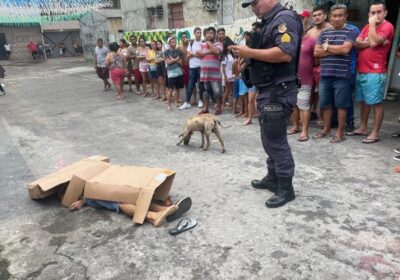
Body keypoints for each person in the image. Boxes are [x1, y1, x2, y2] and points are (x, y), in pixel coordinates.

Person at [232, 0, 302, 208]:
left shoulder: (284, 19)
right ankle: (273, 177)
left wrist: (248, 52)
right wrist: (247, 62)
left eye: (255, 3)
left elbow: (285, 53)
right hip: (269, 90)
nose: (253, 8)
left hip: (278, 92)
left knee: (276, 141)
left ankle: (286, 188)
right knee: (269, 137)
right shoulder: (269, 21)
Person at [348, 2, 394, 144]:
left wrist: (372, 31)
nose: (375, 15)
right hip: (362, 69)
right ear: (369, 14)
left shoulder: (387, 26)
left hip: (375, 71)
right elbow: (356, 44)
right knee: (363, 101)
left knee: (376, 102)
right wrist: (372, 40)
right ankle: (363, 128)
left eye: (379, 12)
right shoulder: (367, 27)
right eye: (372, 13)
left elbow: (373, 43)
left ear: (385, 13)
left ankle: (375, 132)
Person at [313, 4, 357, 143]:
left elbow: (345, 50)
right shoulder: (324, 33)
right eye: (334, 16)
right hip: (325, 75)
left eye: (340, 16)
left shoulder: (351, 31)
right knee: (325, 104)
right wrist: (333, 49)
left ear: (345, 17)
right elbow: (316, 52)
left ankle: (340, 132)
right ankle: (326, 129)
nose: (337, 18)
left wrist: (326, 47)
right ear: (330, 17)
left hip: (342, 76)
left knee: (341, 105)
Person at [288, 12, 317, 142]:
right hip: (291, 80)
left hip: (305, 80)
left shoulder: (311, 40)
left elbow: (317, 59)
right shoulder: (290, 41)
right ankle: (295, 126)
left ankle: (304, 130)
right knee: (293, 104)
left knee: (303, 105)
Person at [307, 7, 331, 123]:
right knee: (310, 91)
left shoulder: (331, 29)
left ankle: (322, 117)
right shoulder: (310, 32)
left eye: (319, 15)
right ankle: (312, 112)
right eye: (315, 15)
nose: (317, 17)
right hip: (311, 66)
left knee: (323, 92)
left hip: (325, 65)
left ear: (325, 16)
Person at [197, 27, 224, 115]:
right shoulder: (202, 44)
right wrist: (209, 51)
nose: (209, 34)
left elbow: (217, 51)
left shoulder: (219, 43)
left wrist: (208, 44)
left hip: (215, 74)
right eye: (208, 33)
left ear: (215, 34)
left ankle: (218, 108)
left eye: (211, 33)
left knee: (217, 91)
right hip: (204, 73)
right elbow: (198, 54)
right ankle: (205, 108)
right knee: (205, 91)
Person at [180, 27, 203, 109]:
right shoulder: (192, 43)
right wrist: (194, 54)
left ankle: (201, 100)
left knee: (200, 85)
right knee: (190, 85)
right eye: (197, 32)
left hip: (200, 66)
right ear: (194, 33)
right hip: (192, 67)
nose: (199, 34)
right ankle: (187, 102)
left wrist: (193, 54)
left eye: (200, 33)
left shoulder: (203, 43)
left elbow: (202, 55)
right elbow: (188, 54)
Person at [164, 37, 184, 110]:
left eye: (175, 42)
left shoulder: (179, 51)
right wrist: (177, 59)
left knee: (177, 88)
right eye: (172, 42)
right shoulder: (166, 52)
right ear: (169, 43)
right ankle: (168, 104)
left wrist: (173, 60)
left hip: (179, 71)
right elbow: (168, 62)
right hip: (171, 72)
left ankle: (176, 102)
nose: (174, 43)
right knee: (170, 89)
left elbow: (181, 63)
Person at [221, 37, 236, 113]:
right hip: (227, 75)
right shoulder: (225, 56)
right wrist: (225, 76)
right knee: (227, 90)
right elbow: (223, 67)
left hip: (232, 75)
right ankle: (223, 104)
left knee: (231, 90)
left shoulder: (232, 54)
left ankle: (233, 105)